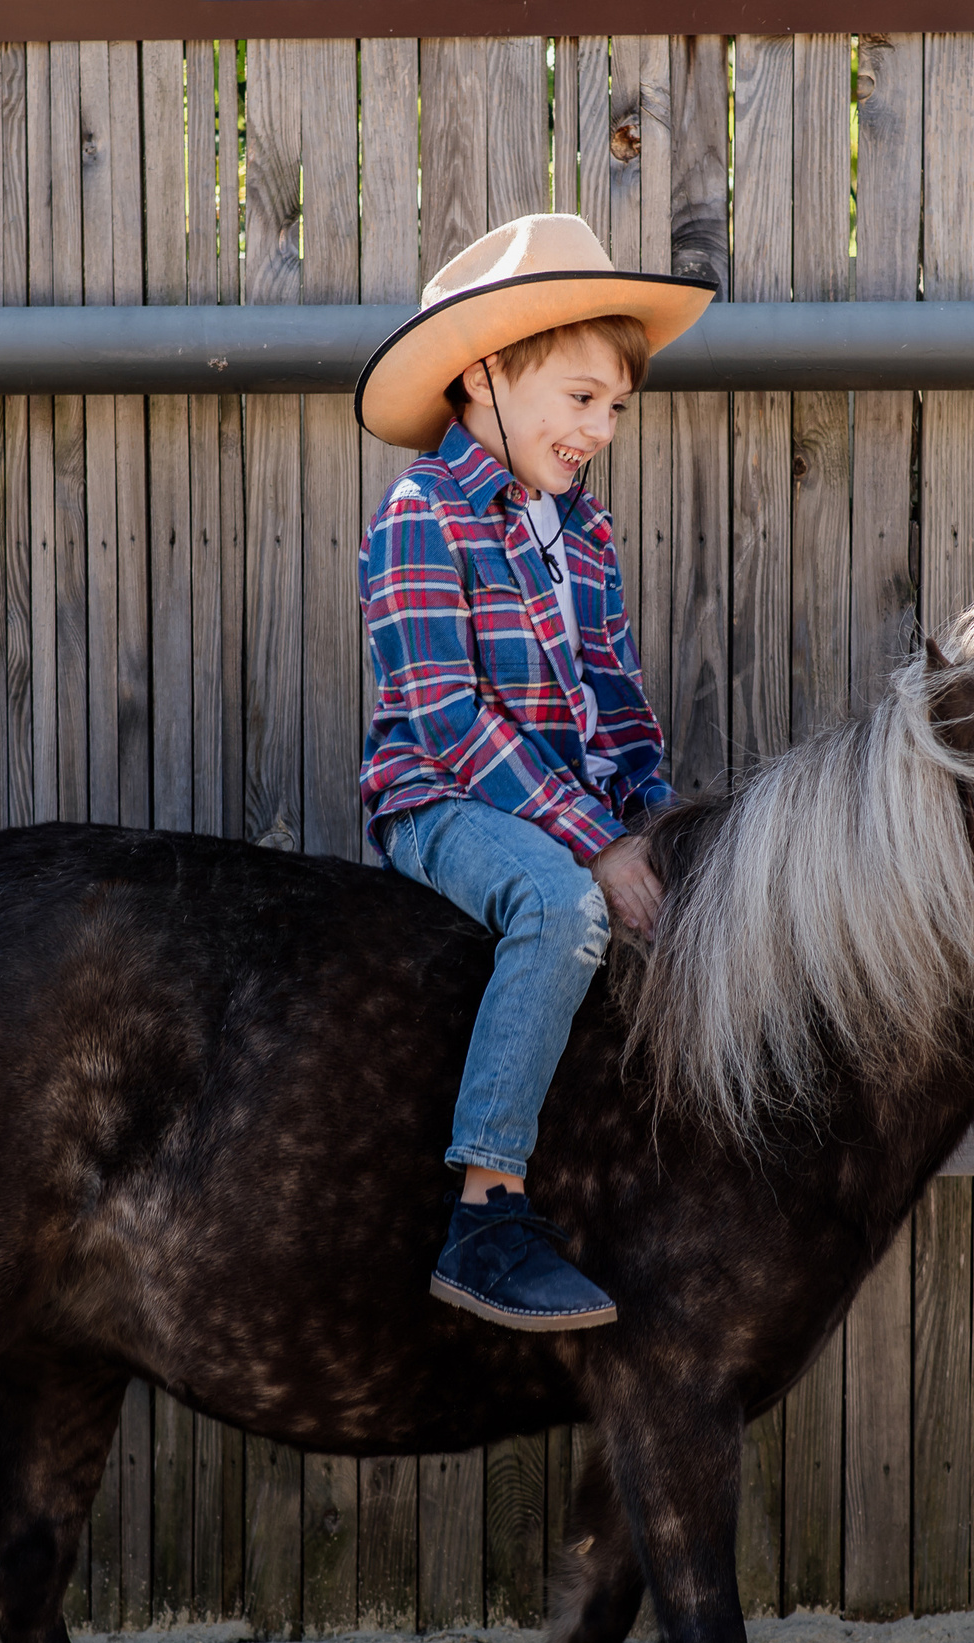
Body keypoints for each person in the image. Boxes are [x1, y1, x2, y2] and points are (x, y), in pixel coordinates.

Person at [352, 213, 713, 1330]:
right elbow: (449, 722)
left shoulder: (583, 535)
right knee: (561, 908)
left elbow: (616, 695)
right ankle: (486, 1208)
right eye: (580, 396)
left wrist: (657, 823)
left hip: (572, 810)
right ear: (483, 376)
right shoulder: (422, 515)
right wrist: (597, 846)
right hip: (445, 802)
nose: (599, 427)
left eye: (616, 407)